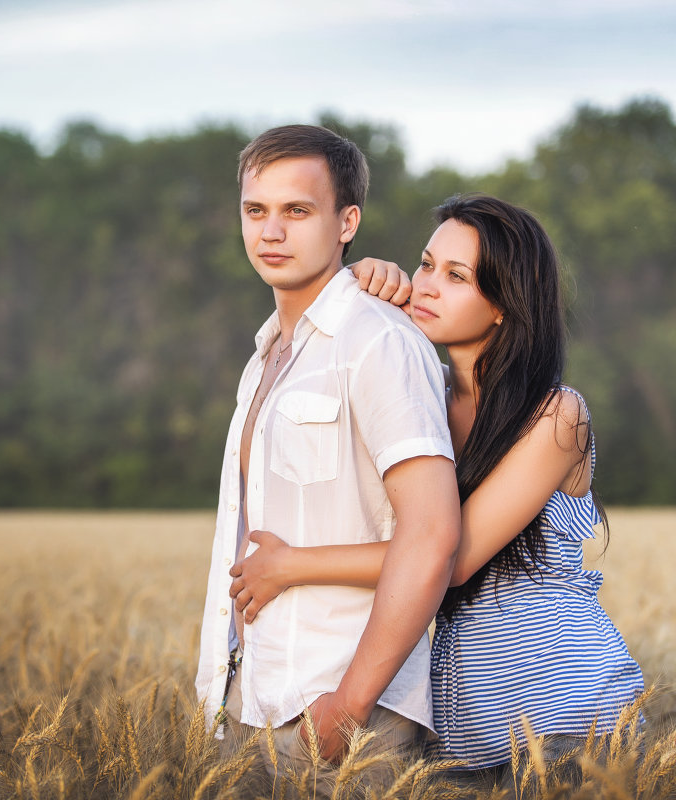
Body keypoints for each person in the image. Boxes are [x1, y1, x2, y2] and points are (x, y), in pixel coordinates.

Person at [230, 193, 645, 782]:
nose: (426, 286)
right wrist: (356, 286)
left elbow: (445, 557)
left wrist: (293, 565)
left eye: (456, 276)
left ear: (505, 303)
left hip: (564, 718)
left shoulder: (556, 417)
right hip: (463, 733)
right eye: (424, 265)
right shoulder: (420, 399)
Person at [194, 125, 461, 789]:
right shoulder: (264, 360)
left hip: (345, 709)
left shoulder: (379, 341)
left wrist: (346, 706)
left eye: (297, 211)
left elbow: (430, 536)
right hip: (252, 700)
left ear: (347, 222)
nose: (271, 232)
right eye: (256, 211)